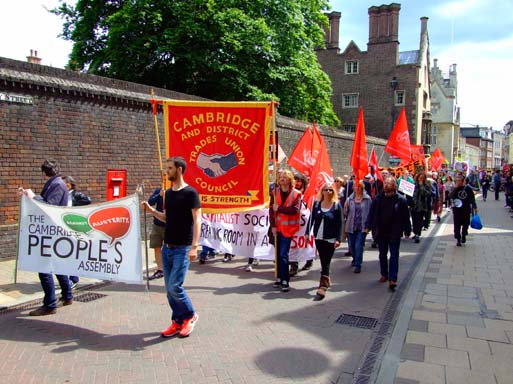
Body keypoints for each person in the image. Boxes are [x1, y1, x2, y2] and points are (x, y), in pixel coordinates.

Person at [142, 156, 201, 338]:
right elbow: (168, 218)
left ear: (179, 170)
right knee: (169, 289)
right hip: (167, 246)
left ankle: (190, 315)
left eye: (169, 168)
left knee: (175, 286)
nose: (166, 171)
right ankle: (177, 320)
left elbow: (197, 219)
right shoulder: (168, 194)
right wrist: (152, 211)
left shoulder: (191, 193)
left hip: (182, 247)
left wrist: (194, 246)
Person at [18, 159, 73, 316]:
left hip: (51, 232)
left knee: (43, 267)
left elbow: (50, 206)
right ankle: (67, 296)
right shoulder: (57, 183)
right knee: (57, 264)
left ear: (44, 172)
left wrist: (32, 196)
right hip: (54, 231)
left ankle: (50, 305)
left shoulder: (56, 184)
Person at [366, 176, 411, 291]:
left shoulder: (401, 200)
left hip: (395, 232)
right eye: (385, 183)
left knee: (394, 255)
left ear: (394, 186)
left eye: (389, 184)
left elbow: (406, 216)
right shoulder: (378, 199)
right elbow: (372, 214)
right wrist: (368, 226)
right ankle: (384, 274)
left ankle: (392, 279)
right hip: (381, 232)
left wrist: (407, 230)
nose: (386, 185)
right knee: (382, 254)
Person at [269, 169, 302, 292]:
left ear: (289, 179)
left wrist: (280, 209)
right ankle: (278, 277)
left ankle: (285, 279)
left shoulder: (296, 194)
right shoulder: (274, 192)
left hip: (288, 229)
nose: (282, 178)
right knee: (277, 254)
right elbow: (271, 210)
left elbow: (295, 210)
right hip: (276, 228)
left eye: (284, 176)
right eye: (280, 177)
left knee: (283, 254)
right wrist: (272, 226)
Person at [309, 182, 343, 299]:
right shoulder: (317, 205)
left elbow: (340, 224)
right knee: (323, 259)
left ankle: (323, 285)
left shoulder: (337, 206)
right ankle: (326, 277)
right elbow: (311, 219)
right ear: (322, 192)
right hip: (319, 237)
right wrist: (307, 233)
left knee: (326, 260)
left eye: (330, 190)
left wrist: (338, 239)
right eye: (326, 190)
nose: (328, 192)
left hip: (331, 238)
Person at [62, 175, 92, 288]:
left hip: (73, 225)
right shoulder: (61, 194)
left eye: (66, 183)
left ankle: (74, 278)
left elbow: (88, 200)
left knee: (73, 253)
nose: (64, 185)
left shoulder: (75, 195)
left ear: (70, 184)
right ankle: (68, 278)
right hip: (63, 225)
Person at [344, 180, 372, 273]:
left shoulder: (367, 199)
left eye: (359, 186)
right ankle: (355, 258)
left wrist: (368, 226)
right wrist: (345, 206)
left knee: (358, 245)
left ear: (362, 188)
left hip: (362, 226)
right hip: (351, 226)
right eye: (356, 186)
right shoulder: (349, 199)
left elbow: (370, 213)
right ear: (353, 188)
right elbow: (345, 213)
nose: (357, 188)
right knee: (351, 246)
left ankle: (358, 264)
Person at [289, 172, 311, 276]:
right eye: (295, 180)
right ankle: (294, 266)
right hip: (293, 224)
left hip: (305, 225)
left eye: (299, 181)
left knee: (306, 244)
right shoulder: (290, 192)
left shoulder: (308, 194)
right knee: (293, 245)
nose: (297, 183)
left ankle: (309, 260)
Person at [449, 174, 477, 246]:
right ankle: (458, 239)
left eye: (459, 181)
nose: (458, 182)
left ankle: (464, 234)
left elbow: (472, 198)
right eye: (457, 181)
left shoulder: (468, 189)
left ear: (463, 181)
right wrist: (455, 189)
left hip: (466, 209)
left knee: (466, 224)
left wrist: (475, 207)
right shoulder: (455, 189)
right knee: (457, 225)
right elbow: (450, 197)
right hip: (457, 210)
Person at [147, 187, 165, 278]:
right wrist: (159, 195)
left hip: (169, 226)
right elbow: (150, 202)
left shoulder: (175, 191)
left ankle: (170, 269)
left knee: (169, 249)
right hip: (157, 224)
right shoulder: (159, 190)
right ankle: (160, 269)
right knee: (156, 247)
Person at [411, 173, 430, 243]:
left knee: (419, 220)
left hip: (421, 206)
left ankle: (417, 234)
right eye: (419, 178)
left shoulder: (426, 185)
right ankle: (415, 232)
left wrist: (421, 186)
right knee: (414, 220)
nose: (420, 179)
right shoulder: (414, 185)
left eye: (422, 178)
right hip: (414, 206)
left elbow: (427, 194)